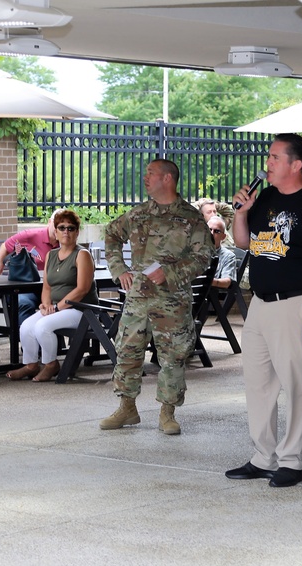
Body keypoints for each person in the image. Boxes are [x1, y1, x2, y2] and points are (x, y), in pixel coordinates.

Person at [224, 133, 302, 488]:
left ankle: (291, 461)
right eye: (269, 156)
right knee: (258, 384)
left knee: (296, 384)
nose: (268, 163)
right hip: (260, 304)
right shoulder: (268, 197)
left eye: (275, 157)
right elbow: (244, 242)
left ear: (296, 165)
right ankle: (263, 457)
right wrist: (241, 213)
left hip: (296, 303)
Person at [99, 159, 213, 435]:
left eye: (151, 173)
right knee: (127, 352)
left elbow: (203, 258)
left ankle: (167, 413)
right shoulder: (139, 214)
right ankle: (127, 408)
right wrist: (119, 270)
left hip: (172, 301)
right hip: (138, 299)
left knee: (172, 356)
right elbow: (111, 234)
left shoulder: (191, 217)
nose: (145, 178)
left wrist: (171, 273)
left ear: (168, 179)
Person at [5, 209, 98, 383]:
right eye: (61, 228)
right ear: (55, 231)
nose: (66, 232)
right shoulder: (51, 255)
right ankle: (31, 365)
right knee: (26, 326)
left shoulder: (82, 255)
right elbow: (47, 286)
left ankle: (51, 364)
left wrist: (56, 308)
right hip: (57, 308)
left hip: (81, 310)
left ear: (77, 232)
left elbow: (82, 290)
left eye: (71, 228)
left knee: (42, 326)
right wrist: (45, 305)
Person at [0, 215, 59, 322]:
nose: (59, 230)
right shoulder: (30, 235)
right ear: (49, 222)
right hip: (26, 287)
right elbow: (5, 247)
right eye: (56, 225)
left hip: (52, 288)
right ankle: (25, 336)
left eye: (63, 227)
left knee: (67, 302)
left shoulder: (65, 243)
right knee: (24, 303)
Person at [207, 215, 238, 289]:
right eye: (209, 229)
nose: (211, 233)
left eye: (216, 231)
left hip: (208, 293)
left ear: (223, 237)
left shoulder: (228, 256)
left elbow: (227, 282)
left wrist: (204, 281)